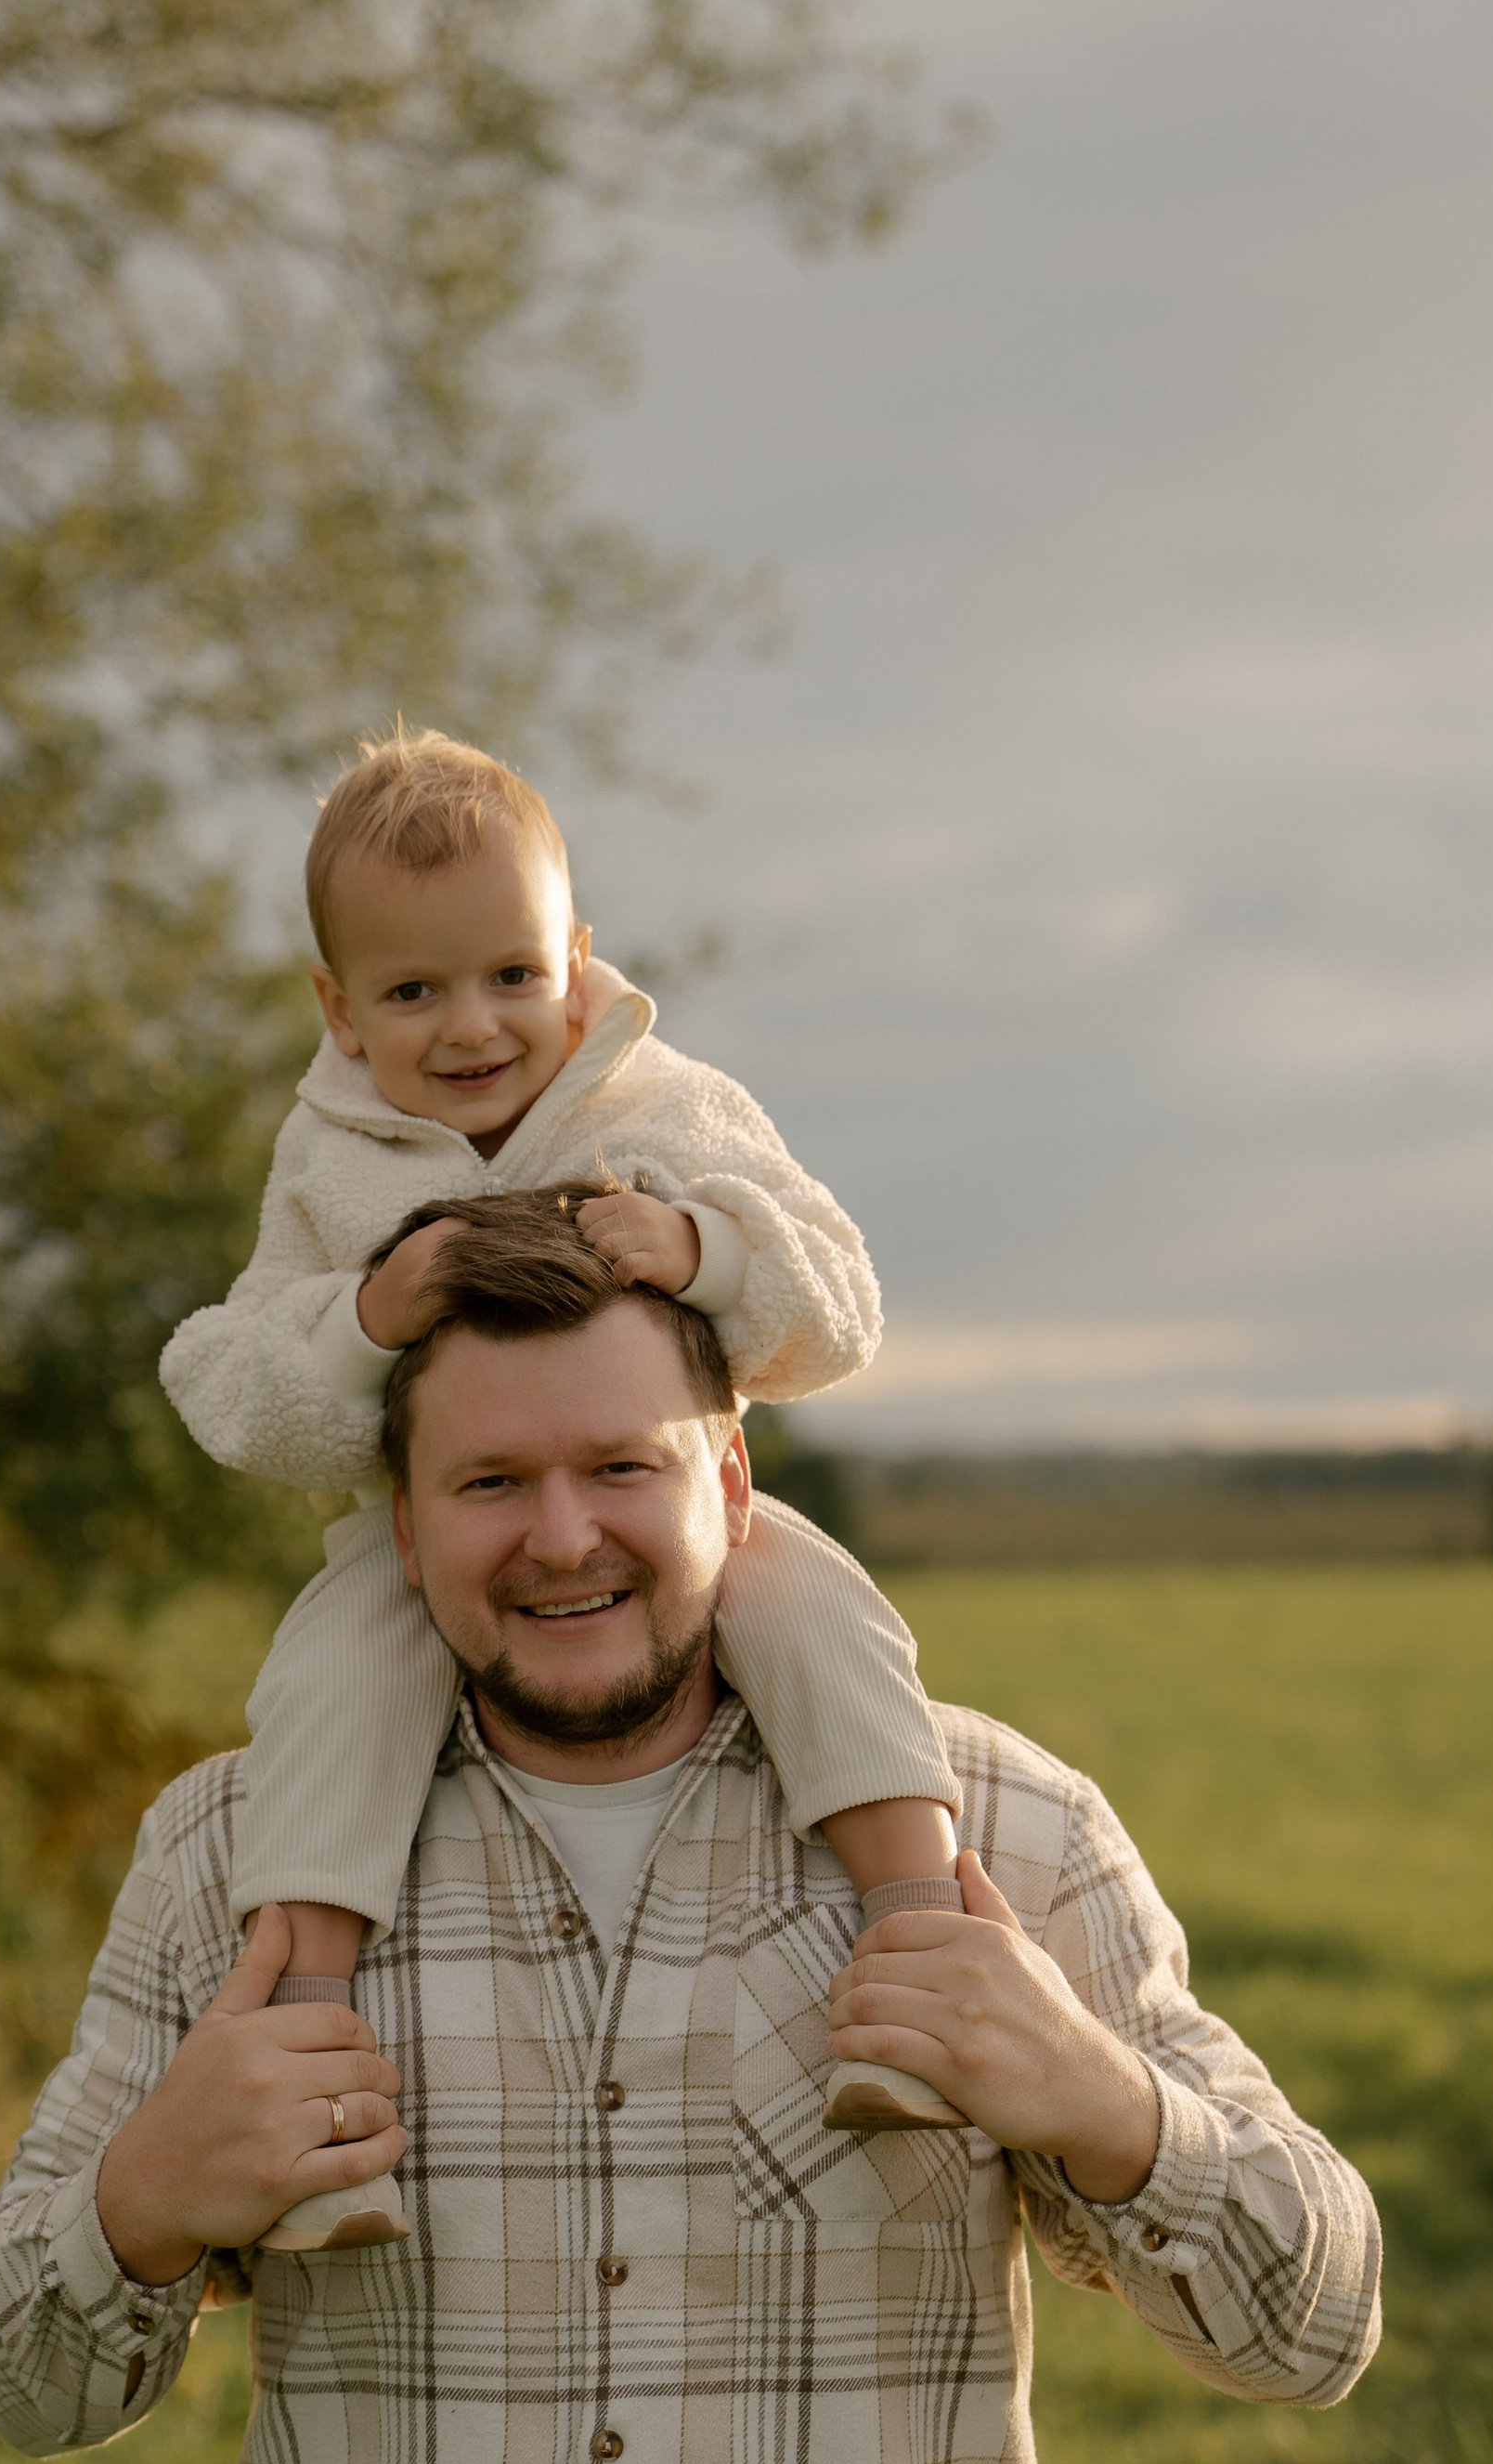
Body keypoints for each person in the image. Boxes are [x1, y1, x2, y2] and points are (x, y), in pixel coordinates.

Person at [0, 1198, 1382, 2464]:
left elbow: (1317, 2325)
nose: (560, 1540)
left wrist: (1100, 2109)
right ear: (398, 1522)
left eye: (619, 1466)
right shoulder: (231, 1862)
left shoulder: (997, 1836)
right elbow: (12, 2374)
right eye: (487, 1485)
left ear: (728, 1472)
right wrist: (141, 2200)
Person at [160, 725, 969, 2244]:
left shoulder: (663, 1108)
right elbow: (227, 1389)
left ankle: (919, 1957)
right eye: (412, 992)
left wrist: (706, 1251)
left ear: (578, 957)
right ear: (338, 1008)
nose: (472, 1027)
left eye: (511, 975)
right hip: (423, 1561)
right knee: (328, 1694)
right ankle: (315, 2075)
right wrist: (367, 1319)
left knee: (828, 1617)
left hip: (689, 1530)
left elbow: (840, 1305)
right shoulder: (332, 1166)